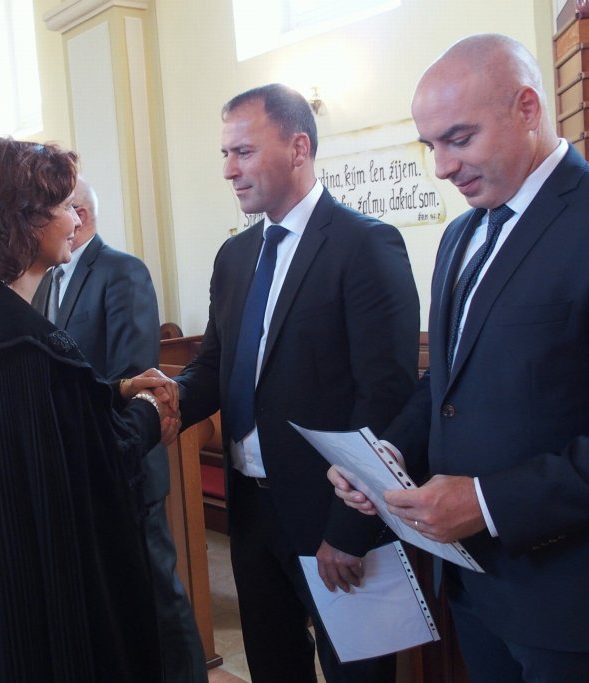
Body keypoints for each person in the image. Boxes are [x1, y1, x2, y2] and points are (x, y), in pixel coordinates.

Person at [329, 34, 589, 683]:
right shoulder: (461, 233)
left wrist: (487, 502)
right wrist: (387, 454)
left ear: (528, 108)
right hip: (479, 587)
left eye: (459, 138)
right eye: (430, 146)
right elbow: (447, 383)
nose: (442, 167)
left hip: (583, 599)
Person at [173, 84, 420, 683]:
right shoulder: (235, 256)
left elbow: (385, 398)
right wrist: (166, 400)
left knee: (358, 674)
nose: (229, 170)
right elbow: (216, 365)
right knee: (274, 666)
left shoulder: (365, 244)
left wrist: (352, 529)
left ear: (299, 147)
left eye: (244, 152)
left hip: (334, 512)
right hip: (252, 509)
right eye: (225, 154)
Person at [0, 137, 178, 682]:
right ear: (25, 219)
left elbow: (42, 418)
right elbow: (90, 460)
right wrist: (150, 411)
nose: (75, 218)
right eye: (63, 206)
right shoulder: (23, 343)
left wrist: (116, 390)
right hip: (38, 588)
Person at [32, 176, 208, 682]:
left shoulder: (121, 271)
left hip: (127, 463)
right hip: (83, 465)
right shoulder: (46, 282)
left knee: (159, 594)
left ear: (79, 215)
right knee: (116, 600)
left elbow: (133, 372)